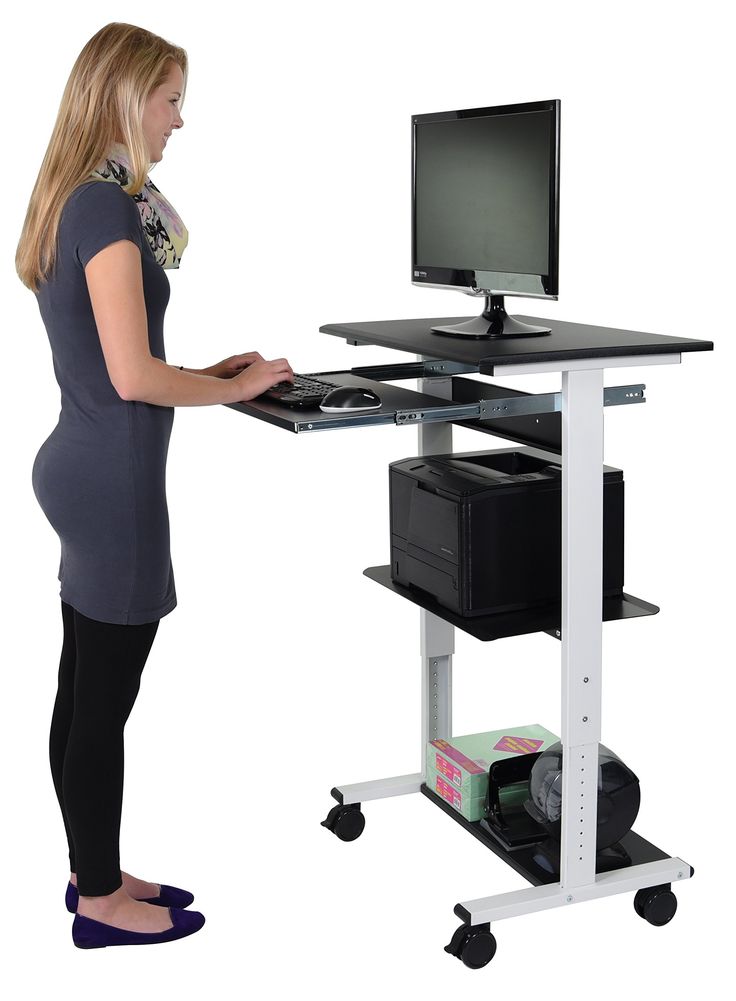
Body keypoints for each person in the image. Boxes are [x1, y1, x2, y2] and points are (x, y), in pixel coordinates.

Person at [15, 22, 294, 949]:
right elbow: (134, 377)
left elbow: (116, 364)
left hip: (81, 463)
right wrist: (235, 388)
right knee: (103, 704)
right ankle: (98, 901)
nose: (180, 121)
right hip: (112, 482)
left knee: (81, 685)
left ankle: (90, 866)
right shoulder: (102, 210)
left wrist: (214, 370)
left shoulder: (81, 199)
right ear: (128, 97)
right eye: (172, 99)